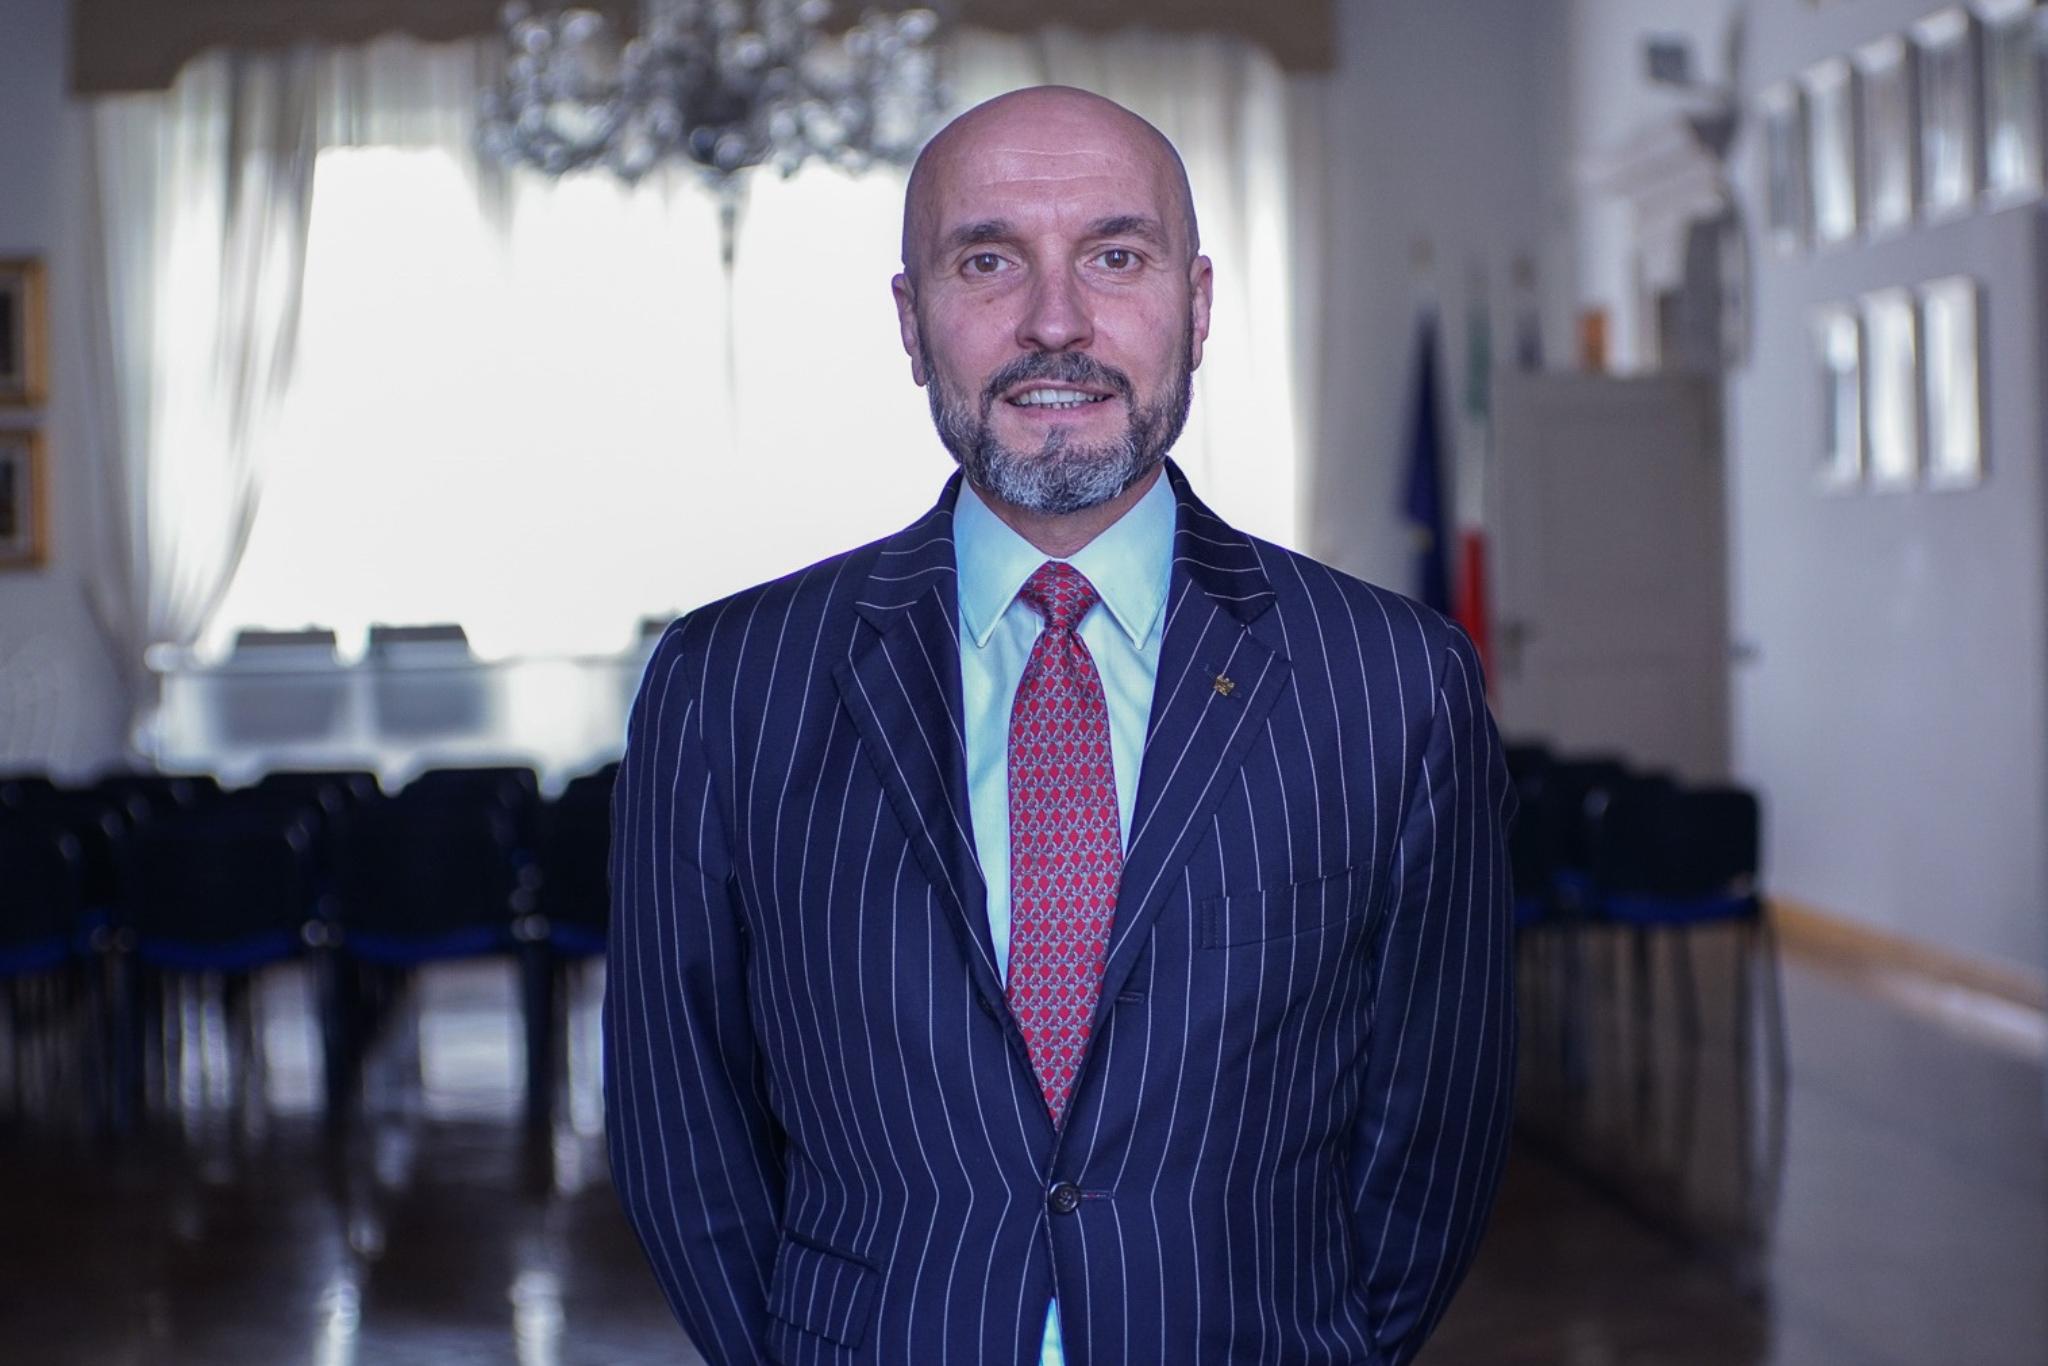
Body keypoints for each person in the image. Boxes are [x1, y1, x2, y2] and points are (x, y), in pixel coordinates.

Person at [607, 85, 1515, 1366]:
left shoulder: (1390, 685)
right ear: (911, 321)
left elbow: (1433, 1125)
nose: (1053, 321)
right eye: (987, 261)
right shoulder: (727, 686)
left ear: (1196, 305)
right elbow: (679, 1123)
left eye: (1114, 256)